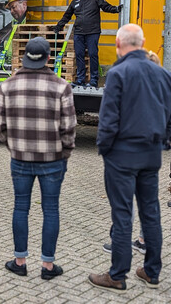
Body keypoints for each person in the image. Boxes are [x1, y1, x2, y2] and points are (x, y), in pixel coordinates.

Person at [89, 24, 171, 292]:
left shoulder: (118, 72)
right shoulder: (162, 74)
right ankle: (151, 270)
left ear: (118, 44)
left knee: (123, 214)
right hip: (151, 153)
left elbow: (109, 119)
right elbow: (168, 114)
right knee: (151, 211)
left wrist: (104, 149)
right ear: (143, 42)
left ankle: (117, 274)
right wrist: (163, 142)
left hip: (122, 155)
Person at [0, 36, 76, 280]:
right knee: (51, 210)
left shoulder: (7, 86)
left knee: (21, 207)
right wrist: (65, 154)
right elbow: (69, 128)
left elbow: (0, 127)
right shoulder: (62, 86)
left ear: (24, 57)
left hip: (20, 158)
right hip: (53, 160)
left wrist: (13, 146)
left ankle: (20, 261)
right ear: (48, 58)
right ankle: (48, 267)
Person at [53, 0, 122, 88]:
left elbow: (105, 6)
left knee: (93, 54)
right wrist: (58, 26)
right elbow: (67, 16)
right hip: (79, 33)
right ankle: (81, 79)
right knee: (79, 55)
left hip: (93, 32)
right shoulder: (74, 2)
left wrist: (116, 9)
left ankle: (94, 80)